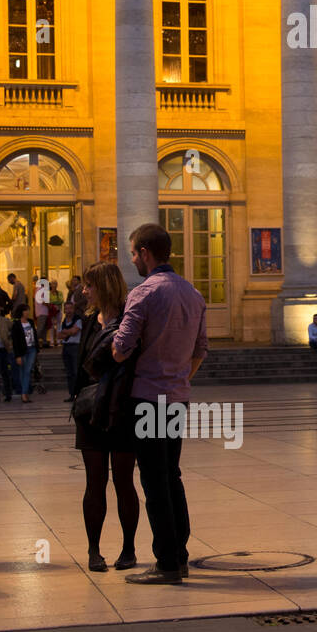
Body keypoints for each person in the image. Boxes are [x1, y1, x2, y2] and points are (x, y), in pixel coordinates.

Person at [112, 223, 208, 585]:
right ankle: (178, 554)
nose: (133, 259)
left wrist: (109, 346)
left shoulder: (144, 293)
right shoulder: (193, 293)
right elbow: (200, 350)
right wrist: (179, 378)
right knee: (171, 475)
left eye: (134, 253)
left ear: (145, 253)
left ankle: (167, 562)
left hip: (146, 399)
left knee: (153, 480)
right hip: (176, 399)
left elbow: (121, 349)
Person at [72, 263, 140, 572]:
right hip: (90, 411)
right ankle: (93, 550)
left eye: (90, 285)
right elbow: (81, 366)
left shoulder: (131, 318)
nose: (84, 291)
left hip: (123, 409)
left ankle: (128, 549)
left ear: (105, 286)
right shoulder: (89, 320)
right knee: (94, 481)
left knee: (124, 480)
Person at [10, 302, 37, 404]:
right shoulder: (16, 325)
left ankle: (24, 393)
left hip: (32, 349)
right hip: (22, 350)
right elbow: (15, 341)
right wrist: (17, 355)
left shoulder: (31, 322)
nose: (28, 312)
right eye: (26, 310)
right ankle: (23, 392)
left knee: (27, 370)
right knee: (23, 371)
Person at [58, 299, 82, 401]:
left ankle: (78, 394)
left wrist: (65, 332)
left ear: (73, 309)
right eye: (66, 309)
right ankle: (71, 394)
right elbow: (59, 335)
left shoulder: (78, 319)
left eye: (70, 308)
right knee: (69, 373)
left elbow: (75, 332)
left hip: (75, 347)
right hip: (66, 347)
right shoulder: (63, 321)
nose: (68, 311)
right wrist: (69, 332)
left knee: (76, 371)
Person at [33, 275, 50, 349]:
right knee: (40, 328)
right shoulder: (41, 289)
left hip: (41, 311)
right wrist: (49, 306)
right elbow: (43, 301)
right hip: (42, 311)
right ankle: (34, 342)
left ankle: (44, 342)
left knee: (44, 328)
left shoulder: (38, 289)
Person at [48, 279, 64, 346]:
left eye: (55, 283)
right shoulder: (48, 293)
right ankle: (51, 341)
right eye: (53, 283)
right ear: (50, 285)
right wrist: (54, 303)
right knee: (51, 326)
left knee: (58, 326)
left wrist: (53, 302)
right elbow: (48, 302)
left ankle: (58, 341)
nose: (54, 285)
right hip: (51, 311)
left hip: (58, 311)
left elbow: (61, 300)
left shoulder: (59, 293)